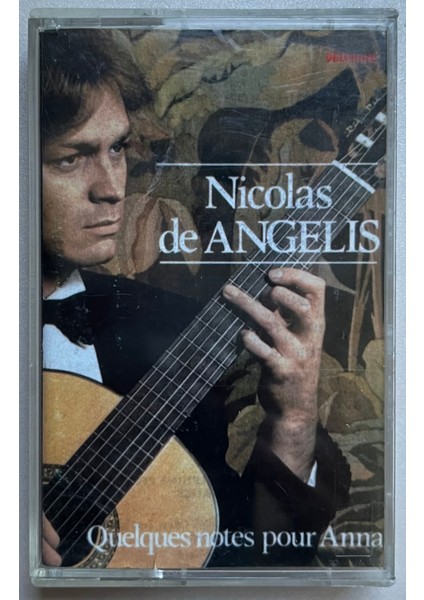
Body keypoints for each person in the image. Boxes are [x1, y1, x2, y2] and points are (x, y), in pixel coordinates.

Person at [40, 29, 350, 568]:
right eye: (71, 159)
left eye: (117, 148)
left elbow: (254, 562)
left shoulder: (176, 335)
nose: (112, 187)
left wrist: (294, 419)